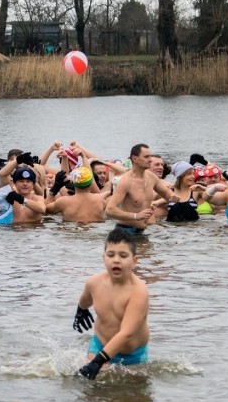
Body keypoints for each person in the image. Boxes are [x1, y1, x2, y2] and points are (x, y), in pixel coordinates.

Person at [72, 228, 150, 379]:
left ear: (134, 261)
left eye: (123, 255)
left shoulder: (139, 291)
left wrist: (98, 361)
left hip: (133, 355)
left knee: (131, 397)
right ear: (104, 258)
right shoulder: (94, 283)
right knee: (90, 389)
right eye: (111, 254)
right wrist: (81, 310)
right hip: (100, 344)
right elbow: (85, 300)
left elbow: (127, 333)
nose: (116, 260)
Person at [105, 144, 179, 234]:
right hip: (126, 230)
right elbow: (110, 210)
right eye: (146, 157)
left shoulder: (151, 177)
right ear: (135, 158)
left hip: (142, 230)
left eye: (150, 156)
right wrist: (136, 216)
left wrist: (172, 196)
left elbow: (166, 193)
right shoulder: (125, 181)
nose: (150, 160)